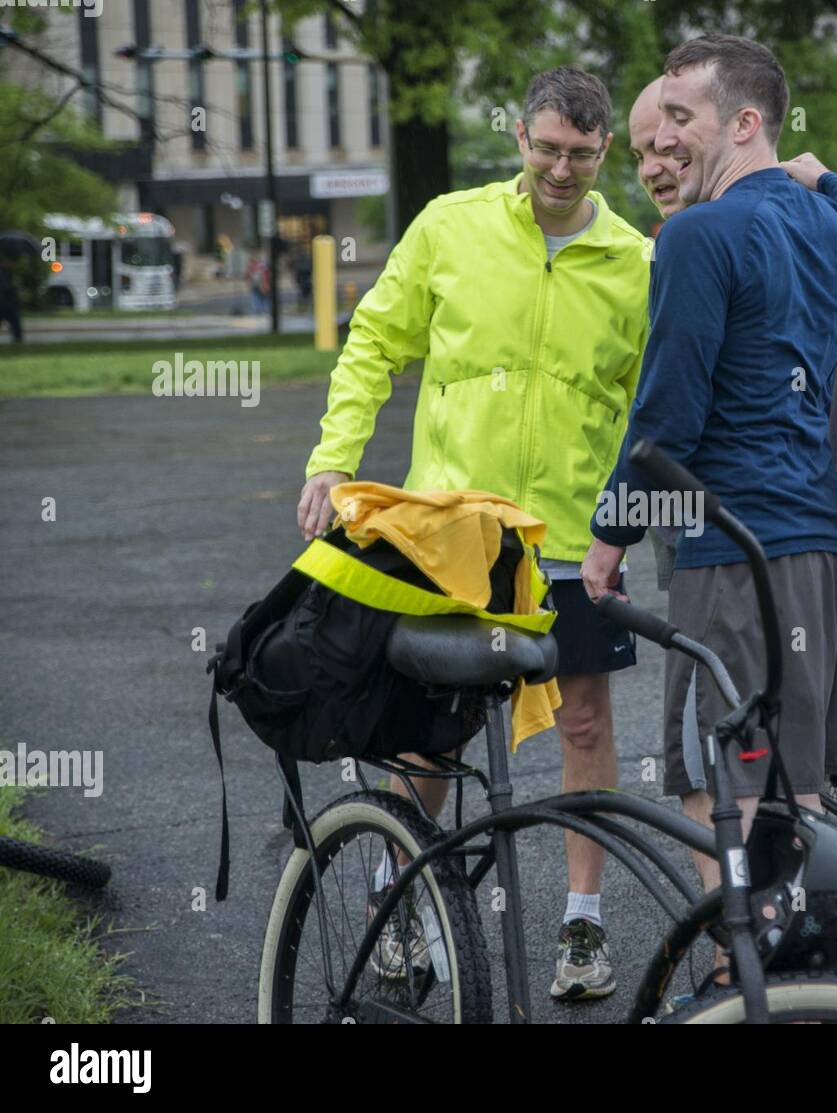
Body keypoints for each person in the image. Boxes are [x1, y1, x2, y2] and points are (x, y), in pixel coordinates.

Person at [297, 65, 650, 1001]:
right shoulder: (451, 226)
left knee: (583, 718)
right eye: (546, 148)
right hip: (454, 536)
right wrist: (332, 460)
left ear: (605, 149)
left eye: (580, 153)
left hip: (574, 539)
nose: (561, 169)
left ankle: (583, 922)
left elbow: (651, 405)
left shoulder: (634, 262)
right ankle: (402, 898)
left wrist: (641, 514)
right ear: (520, 139)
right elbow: (373, 339)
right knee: (433, 728)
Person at [583, 37, 837, 913]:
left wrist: (610, 535)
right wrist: (823, 178)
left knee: (723, 776)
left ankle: (748, 977)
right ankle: (801, 978)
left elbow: (665, 420)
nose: (664, 140)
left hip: (731, 548)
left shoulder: (697, 234)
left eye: (679, 119)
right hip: (823, 546)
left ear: (744, 121)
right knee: (796, 780)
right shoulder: (831, 226)